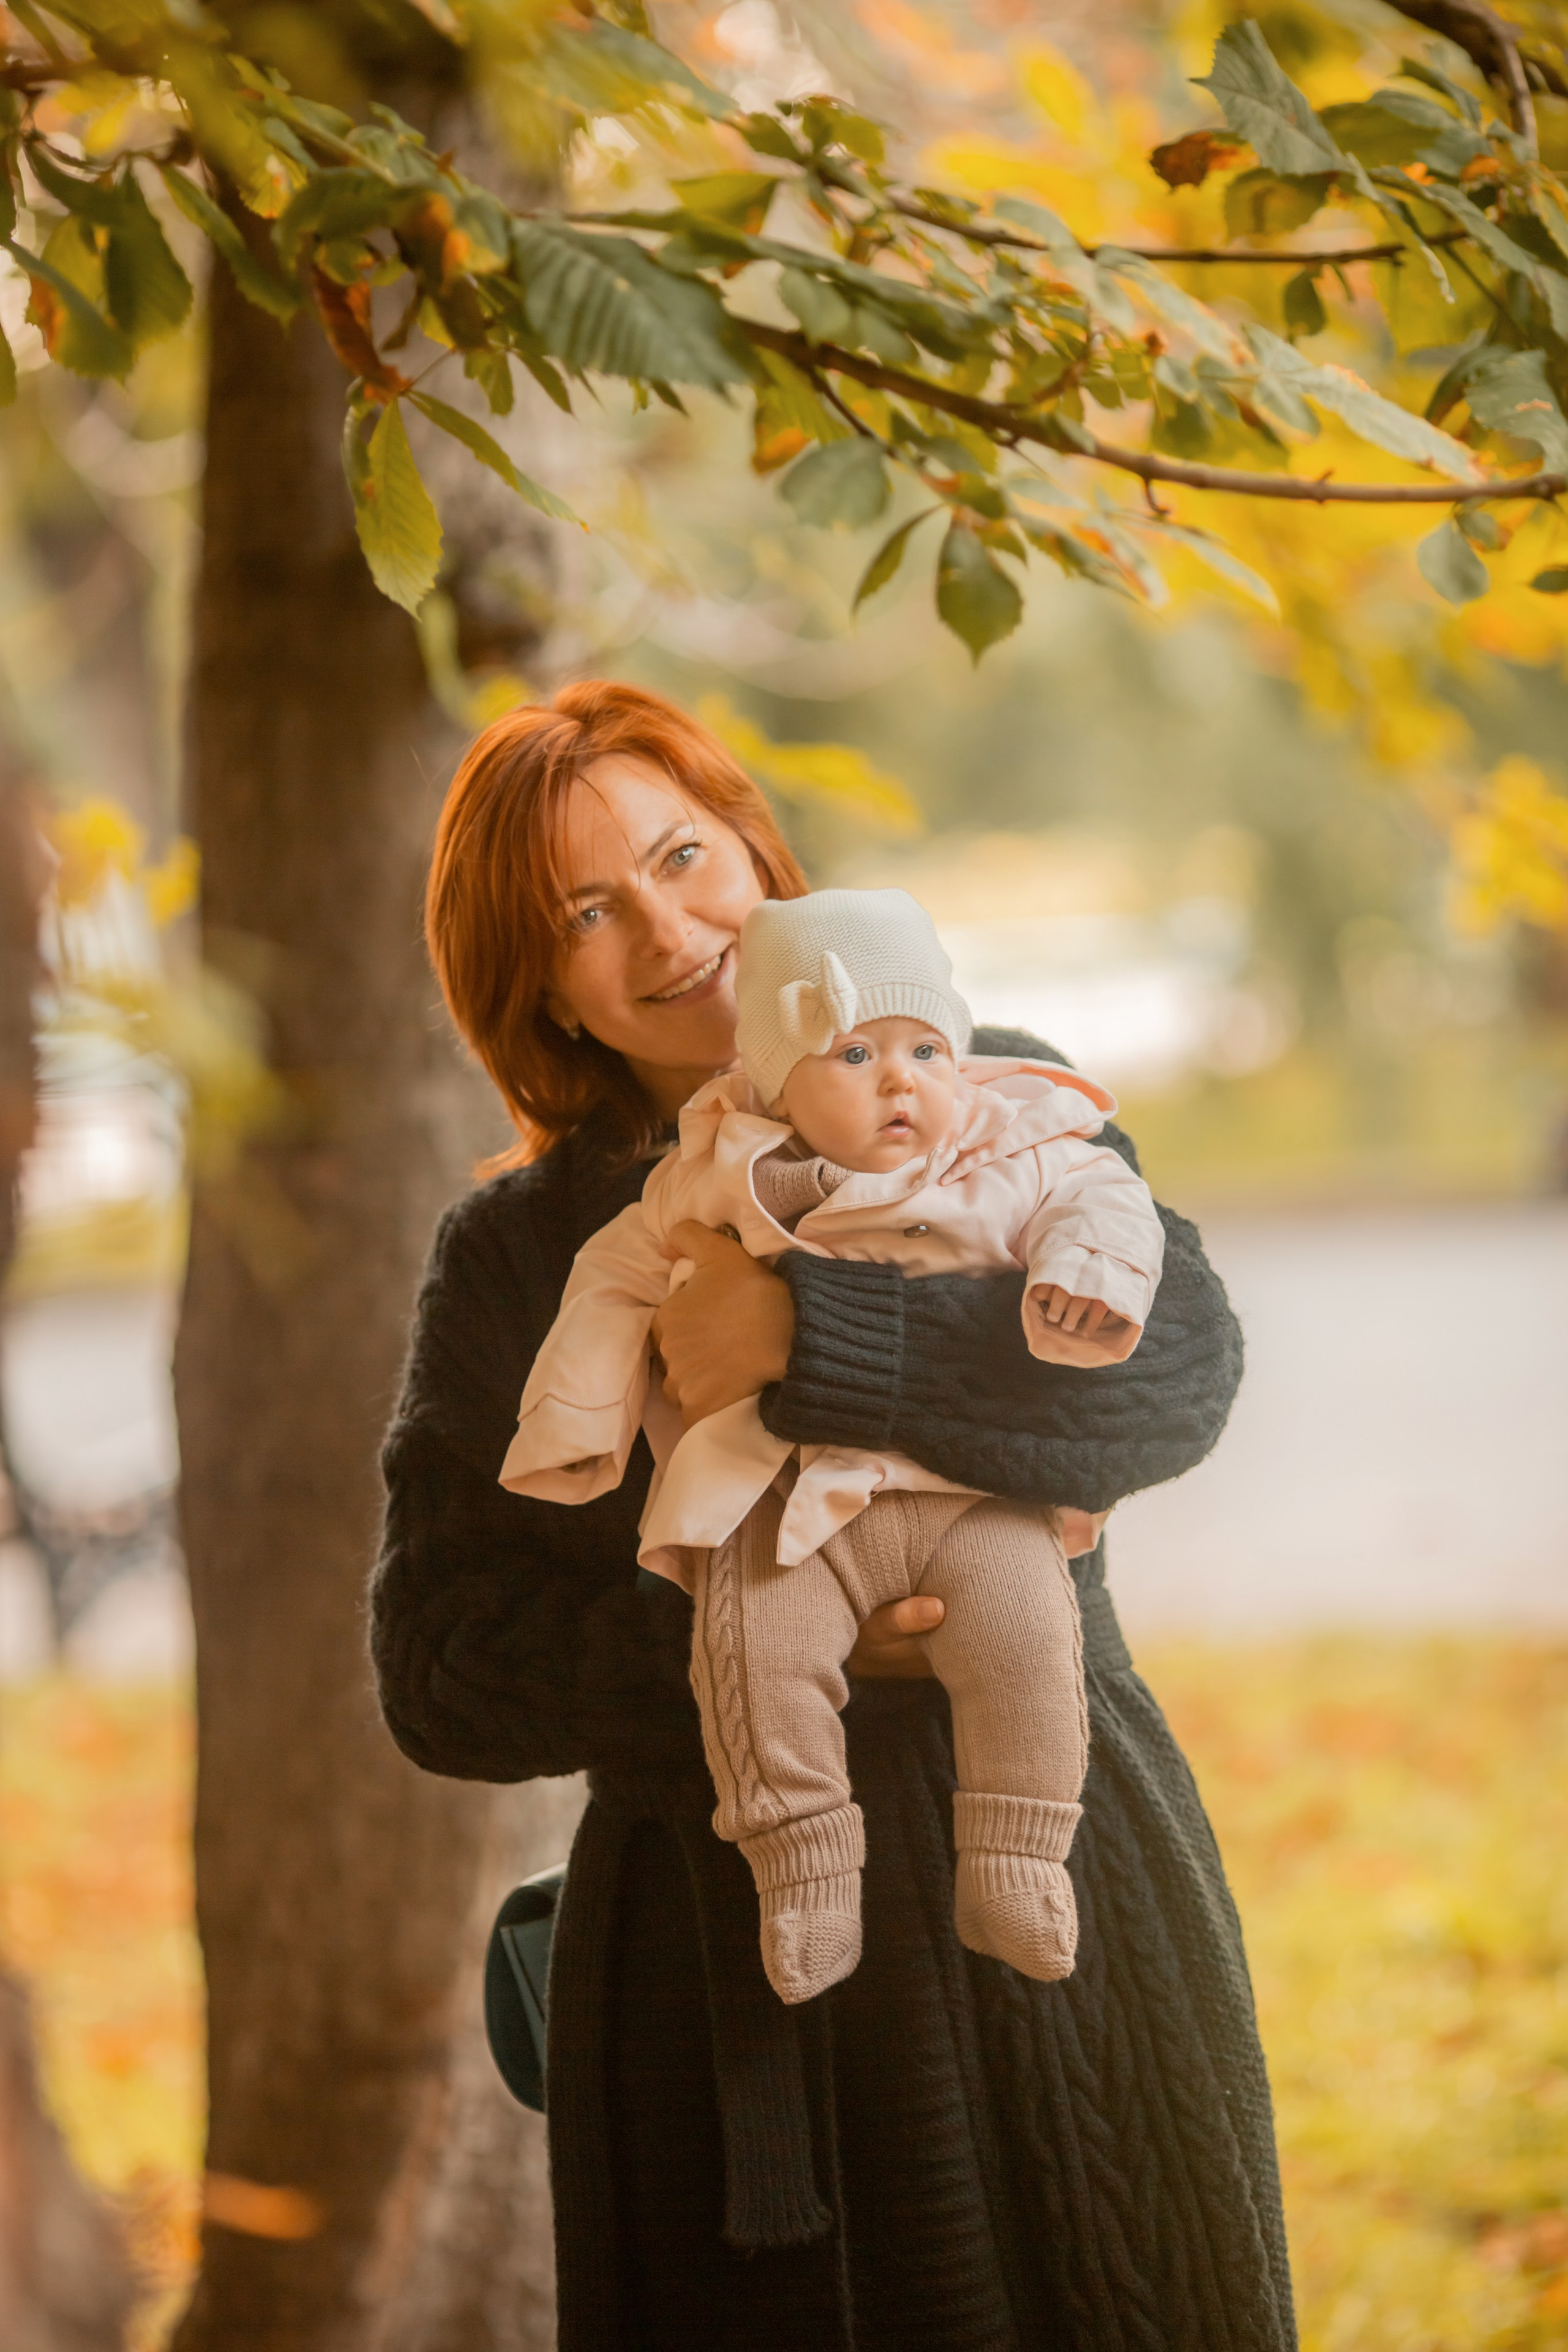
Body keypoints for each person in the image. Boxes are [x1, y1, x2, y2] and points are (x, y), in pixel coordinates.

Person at [369, 682, 1296, 2352]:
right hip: (712, 1980)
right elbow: (440, 1669)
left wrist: (811, 1339)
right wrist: (747, 1637)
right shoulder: (517, 1258)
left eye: (681, 857)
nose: (668, 931)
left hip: (1066, 1891)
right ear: (541, 988)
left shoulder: (985, 1092)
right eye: (586, 913)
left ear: (754, 850)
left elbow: (1174, 1378)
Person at [502, 885, 1166, 2003]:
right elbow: (610, 1280)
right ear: (772, 1084)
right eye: (855, 1054)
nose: (901, 1080)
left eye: (925, 1050)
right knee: (755, 1651)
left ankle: (1019, 1860)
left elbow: (1106, 1204)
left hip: (972, 1496)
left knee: (1026, 1640)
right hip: (784, 1500)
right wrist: (575, 1421)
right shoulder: (712, 1177)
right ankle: (803, 1869)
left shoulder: (1015, 1137)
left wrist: (1085, 1281)